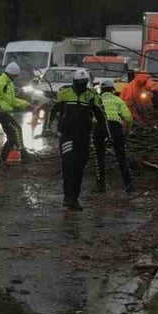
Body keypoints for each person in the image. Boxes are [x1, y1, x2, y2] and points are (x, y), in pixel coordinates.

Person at [53, 68, 100, 211]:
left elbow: (100, 116)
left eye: (84, 82)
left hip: (83, 137)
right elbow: (54, 110)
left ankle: (74, 198)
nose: (82, 85)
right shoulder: (64, 93)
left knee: (79, 169)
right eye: (79, 82)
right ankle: (68, 197)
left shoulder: (91, 95)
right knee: (69, 165)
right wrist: (49, 128)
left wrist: (103, 133)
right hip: (67, 135)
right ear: (74, 81)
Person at [94, 78, 136, 193]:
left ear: (101, 89)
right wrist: (127, 129)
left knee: (99, 157)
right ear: (113, 89)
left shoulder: (96, 100)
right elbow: (128, 118)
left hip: (99, 127)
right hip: (115, 128)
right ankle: (129, 185)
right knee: (121, 157)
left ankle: (101, 186)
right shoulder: (118, 100)